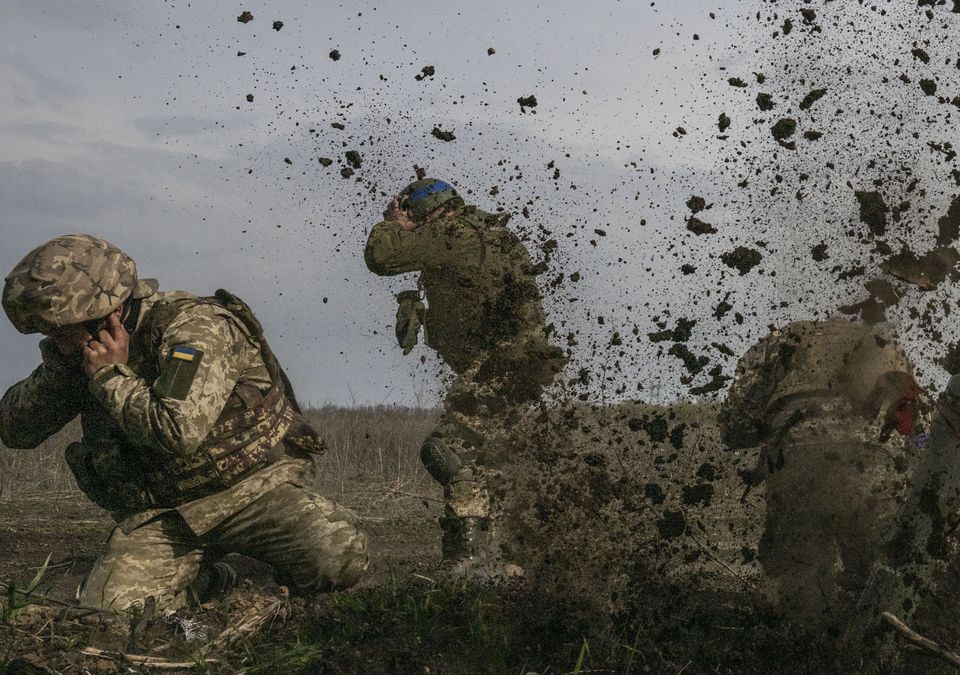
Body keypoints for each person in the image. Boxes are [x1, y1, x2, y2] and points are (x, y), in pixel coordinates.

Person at [0, 234, 368, 612]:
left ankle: (252, 567)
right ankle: (218, 577)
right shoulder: (83, 353)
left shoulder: (194, 328)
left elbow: (178, 430)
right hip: (166, 515)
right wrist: (62, 373)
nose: (57, 343)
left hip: (251, 493)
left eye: (62, 332)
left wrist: (111, 377)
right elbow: (15, 431)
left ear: (105, 315)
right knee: (114, 610)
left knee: (339, 557)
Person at [364, 178, 566, 575]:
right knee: (489, 463)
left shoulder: (452, 231)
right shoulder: (491, 233)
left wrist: (391, 223)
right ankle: (509, 561)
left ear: (425, 211)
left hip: (502, 368)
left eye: (412, 215)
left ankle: (469, 559)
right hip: (519, 367)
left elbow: (382, 257)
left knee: (447, 451)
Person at [717, 317, 929, 628]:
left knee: (799, 584)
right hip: (874, 463)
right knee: (885, 580)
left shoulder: (783, 340)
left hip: (799, 458)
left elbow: (734, 425)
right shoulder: (884, 343)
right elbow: (921, 434)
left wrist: (767, 429)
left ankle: (806, 645)